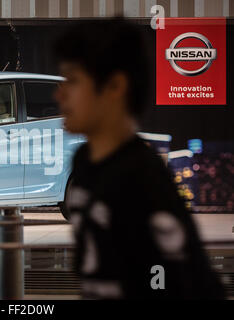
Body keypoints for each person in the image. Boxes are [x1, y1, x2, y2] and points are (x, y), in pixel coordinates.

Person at [53, 18, 225, 299]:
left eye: (72, 80)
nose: (58, 94)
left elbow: (182, 283)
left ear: (114, 86)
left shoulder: (142, 178)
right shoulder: (84, 162)